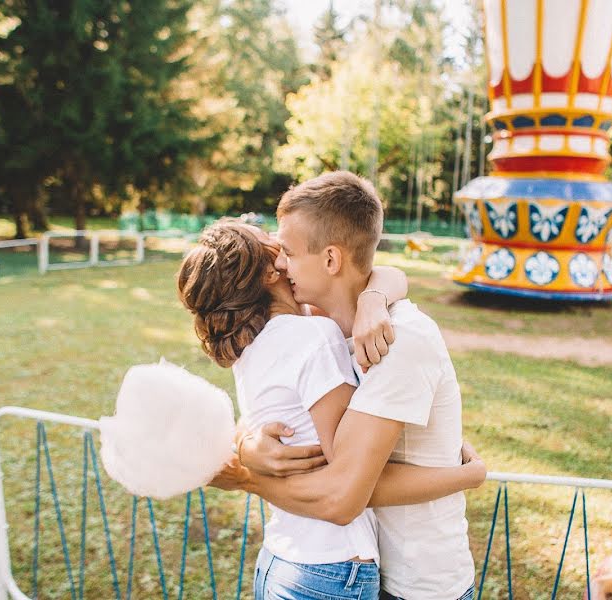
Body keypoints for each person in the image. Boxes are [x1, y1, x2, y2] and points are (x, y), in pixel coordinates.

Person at [178, 219, 485, 600]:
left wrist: (373, 298)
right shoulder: (314, 335)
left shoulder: (252, 346)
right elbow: (348, 485)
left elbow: (385, 274)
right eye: (274, 245)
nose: (279, 246)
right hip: (333, 564)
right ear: (266, 270)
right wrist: (469, 475)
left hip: (281, 556)